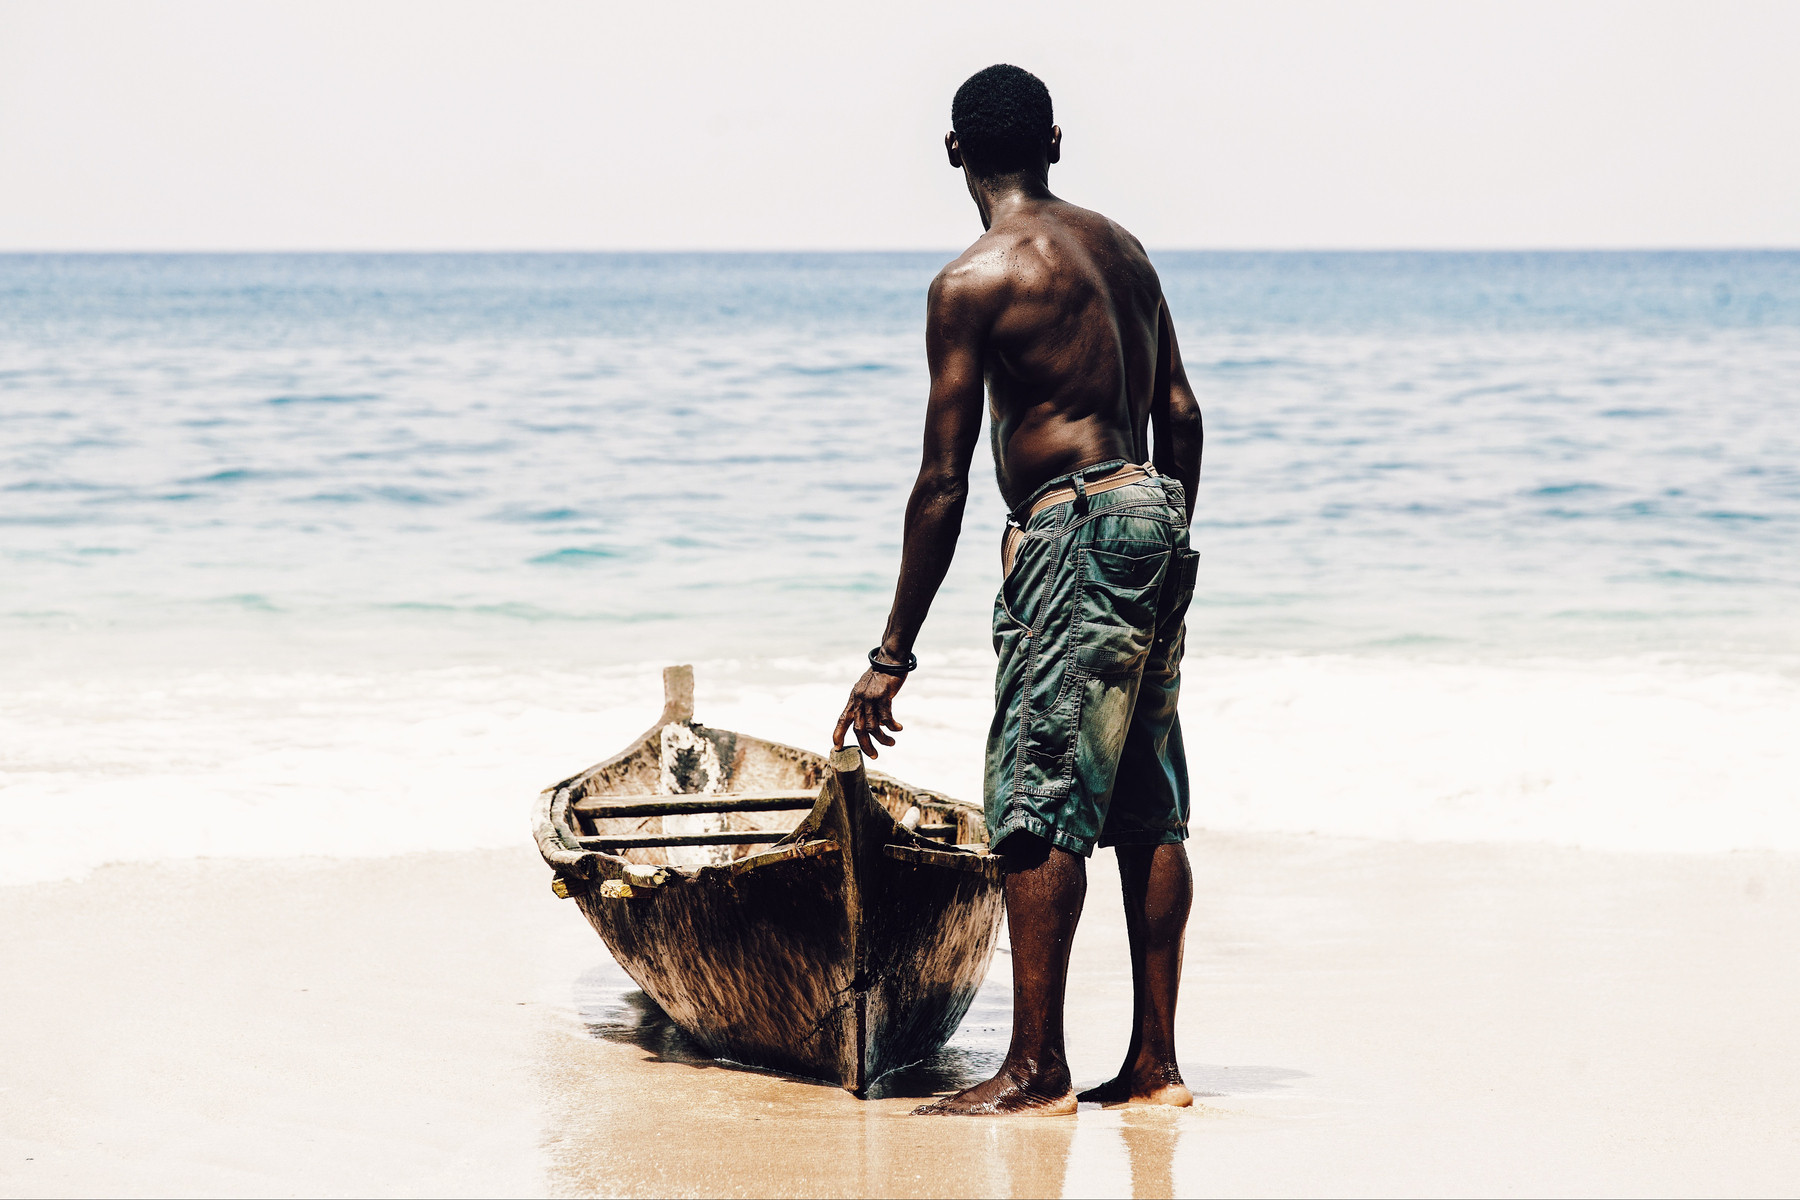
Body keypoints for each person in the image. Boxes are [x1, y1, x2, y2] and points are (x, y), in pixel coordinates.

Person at [831, 64, 1205, 1115]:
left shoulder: (974, 280)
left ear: (955, 152)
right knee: (1148, 802)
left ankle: (1037, 1067)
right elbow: (1180, 412)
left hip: (1074, 528)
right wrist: (1167, 534)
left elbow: (943, 483)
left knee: (1038, 794)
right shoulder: (1122, 250)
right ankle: (1156, 1065)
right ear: (1054, 142)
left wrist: (891, 654)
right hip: (1151, 512)